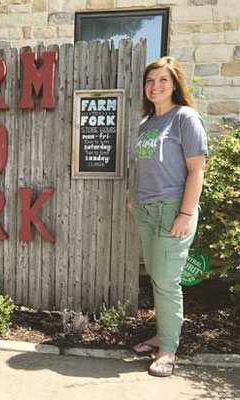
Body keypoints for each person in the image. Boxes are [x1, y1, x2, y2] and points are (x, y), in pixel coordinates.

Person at [130, 56, 207, 377]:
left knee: (167, 282)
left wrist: (185, 213)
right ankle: (163, 333)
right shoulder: (146, 124)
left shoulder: (185, 118)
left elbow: (196, 170)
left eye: (162, 80)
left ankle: (169, 349)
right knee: (158, 279)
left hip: (173, 209)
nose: (155, 86)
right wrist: (134, 200)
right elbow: (147, 168)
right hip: (147, 211)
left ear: (175, 84)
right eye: (150, 81)